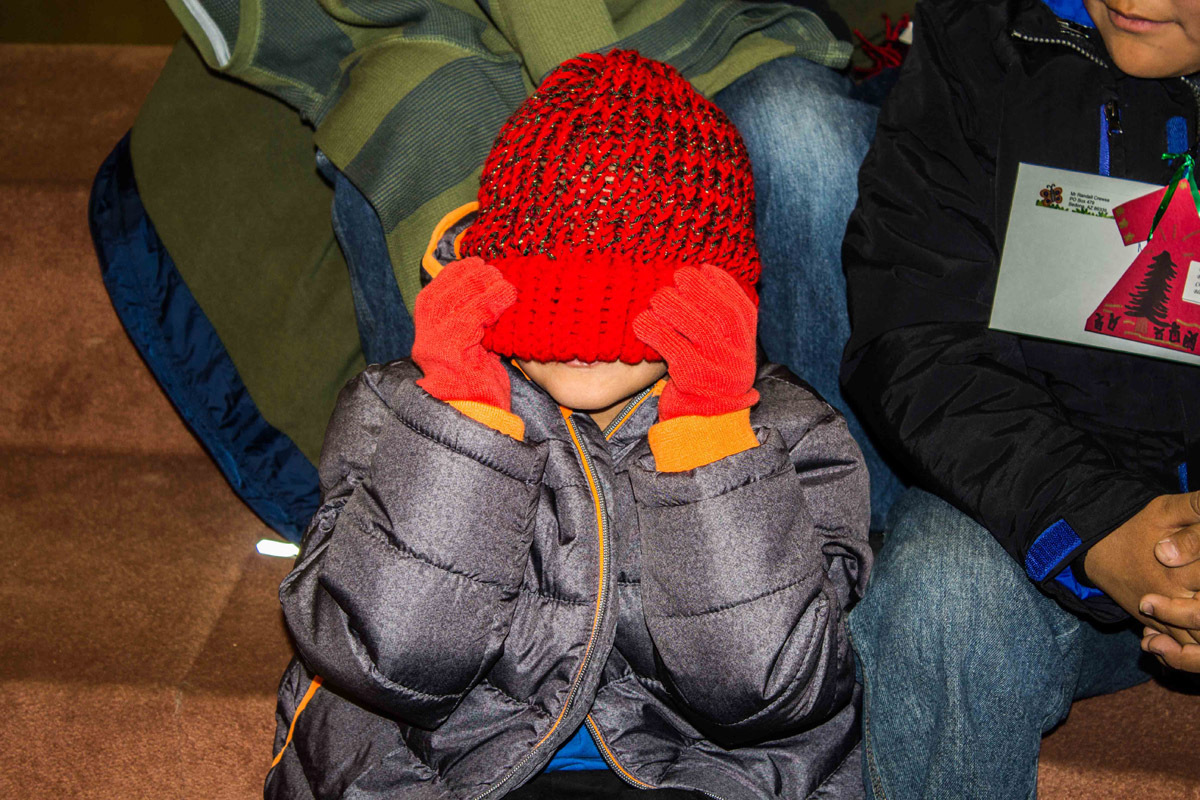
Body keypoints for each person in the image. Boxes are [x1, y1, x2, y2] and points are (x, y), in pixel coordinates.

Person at [264, 51, 872, 800]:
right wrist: (465, 419)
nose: (583, 337)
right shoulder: (401, 411)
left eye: (625, 294)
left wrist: (709, 435)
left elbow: (767, 689)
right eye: (553, 288)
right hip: (442, 771)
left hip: (703, 772)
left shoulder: (787, 436)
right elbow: (384, 660)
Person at [841, 0, 1200, 797]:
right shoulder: (983, 31)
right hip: (1039, 508)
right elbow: (916, 330)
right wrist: (1096, 521)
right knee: (943, 594)